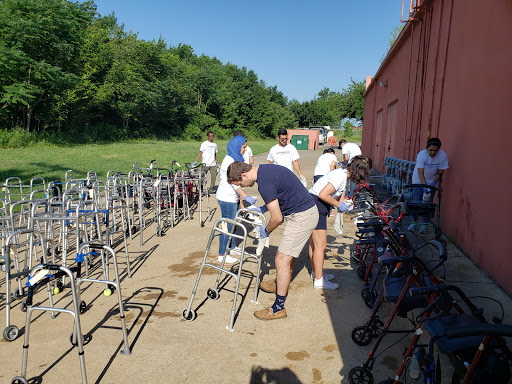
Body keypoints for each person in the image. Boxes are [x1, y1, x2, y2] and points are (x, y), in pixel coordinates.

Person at [227, 162, 319, 320]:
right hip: (302, 211)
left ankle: (278, 308)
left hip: (302, 217)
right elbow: (281, 195)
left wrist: (266, 231)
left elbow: (277, 218)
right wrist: (263, 208)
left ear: (243, 175)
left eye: (241, 184)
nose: (245, 187)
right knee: (287, 255)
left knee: (281, 260)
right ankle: (279, 285)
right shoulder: (265, 170)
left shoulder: (264, 183)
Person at [308, 156, 373, 290]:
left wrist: (342, 201)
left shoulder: (343, 174)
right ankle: (319, 281)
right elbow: (323, 195)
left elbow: (338, 193)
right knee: (321, 245)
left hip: (314, 205)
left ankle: (316, 273)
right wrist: (339, 205)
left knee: (314, 244)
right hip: (316, 206)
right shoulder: (340, 176)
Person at [216, 136, 256, 263]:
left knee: (234, 222)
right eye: (243, 147)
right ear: (236, 146)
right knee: (226, 226)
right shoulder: (230, 162)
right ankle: (222, 255)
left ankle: (232, 247)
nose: (244, 150)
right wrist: (245, 196)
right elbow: (234, 183)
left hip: (232, 197)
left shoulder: (234, 158)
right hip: (227, 198)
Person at [408, 137, 449, 234]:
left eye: (435, 151)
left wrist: (433, 183)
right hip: (418, 180)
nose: (433, 153)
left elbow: (440, 171)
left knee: (428, 203)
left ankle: (424, 225)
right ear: (426, 149)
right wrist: (424, 186)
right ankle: (413, 222)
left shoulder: (442, 155)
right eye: (430, 150)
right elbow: (420, 172)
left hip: (432, 180)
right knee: (416, 201)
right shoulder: (421, 155)